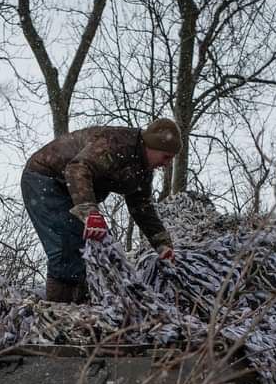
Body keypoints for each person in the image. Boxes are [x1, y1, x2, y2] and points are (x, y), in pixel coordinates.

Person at [21, 118, 180, 303]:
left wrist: (162, 244)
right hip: (44, 178)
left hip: (70, 190)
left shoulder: (142, 171)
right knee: (67, 247)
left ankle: (83, 303)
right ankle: (59, 308)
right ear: (152, 146)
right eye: (166, 157)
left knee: (97, 248)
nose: (166, 164)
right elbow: (77, 169)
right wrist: (90, 213)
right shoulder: (117, 143)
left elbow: (142, 207)